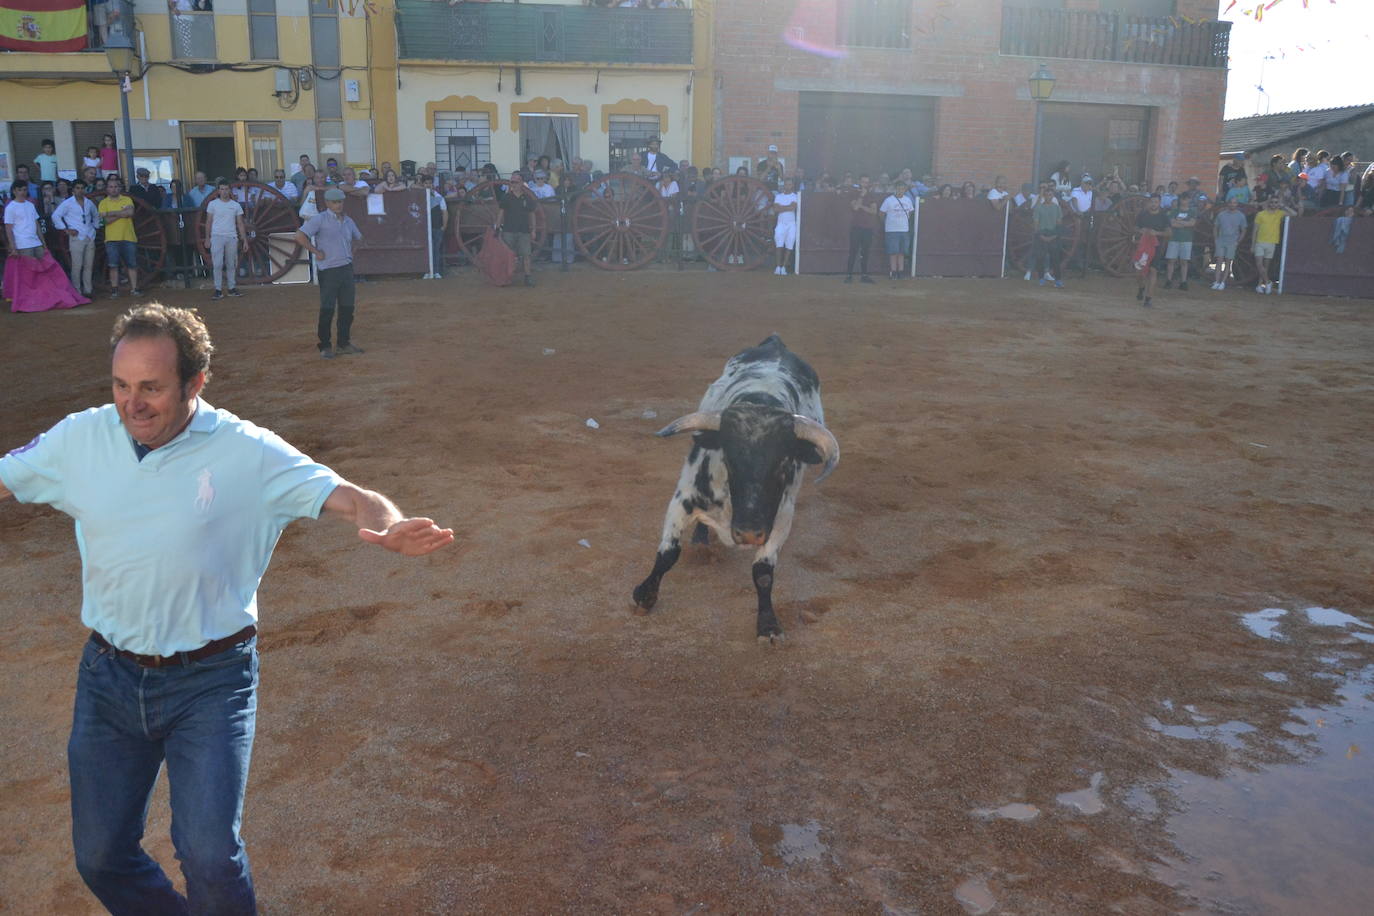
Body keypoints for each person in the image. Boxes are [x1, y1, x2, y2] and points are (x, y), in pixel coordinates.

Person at [0, 303, 452, 914]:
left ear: (195, 383)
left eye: (152, 388)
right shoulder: (81, 438)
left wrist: (389, 525)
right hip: (108, 678)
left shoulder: (247, 451)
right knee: (101, 855)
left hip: (211, 681)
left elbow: (352, 497)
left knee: (209, 854)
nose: (133, 404)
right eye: (121, 385)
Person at [294, 188, 364, 358]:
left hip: (346, 269)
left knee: (347, 308)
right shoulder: (319, 219)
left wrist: (352, 252)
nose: (338, 205)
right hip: (329, 270)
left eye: (340, 201)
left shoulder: (348, 221)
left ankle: (343, 343)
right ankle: (325, 345)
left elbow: (359, 238)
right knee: (328, 308)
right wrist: (316, 252)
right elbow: (299, 235)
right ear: (327, 203)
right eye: (335, 202)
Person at [5, 181, 90, 312]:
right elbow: (8, 229)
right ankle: (30, 300)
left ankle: (39, 299)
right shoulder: (11, 207)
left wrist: (43, 242)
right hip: (22, 245)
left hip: (36, 243)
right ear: (14, 191)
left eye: (24, 189)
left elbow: (37, 225)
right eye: (20, 190)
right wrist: (13, 247)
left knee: (43, 272)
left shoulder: (30, 205)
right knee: (29, 275)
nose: (23, 192)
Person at [98, 175, 143, 298]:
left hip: (128, 237)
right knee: (113, 266)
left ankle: (134, 289)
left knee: (132, 265)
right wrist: (121, 213)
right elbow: (105, 221)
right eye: (111, 187)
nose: (113, 189)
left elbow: (130, 213)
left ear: (120, 188)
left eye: (116, 186)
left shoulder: (127, 200)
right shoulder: (103, 203)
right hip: (111, 239)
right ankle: (114, 290)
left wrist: (110, 213)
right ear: (107, 189)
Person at [52, 182, 100, 298]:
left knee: (88, 265)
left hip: (89, 236)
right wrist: (66, 230)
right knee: (77, 266)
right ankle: (77, 291)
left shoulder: (89, 203)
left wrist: (95, 227)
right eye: (78, 188)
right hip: (76, 237)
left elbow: (96, 215)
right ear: (73, 190)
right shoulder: (67, 203)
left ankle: (88, 290)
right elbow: (55, 216)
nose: (80, 190)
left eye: (82, 188)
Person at [494, 171, 538, 287]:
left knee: (526, 255)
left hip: (524, 230)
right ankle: (507, 277)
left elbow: (532, 214)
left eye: (516, 182)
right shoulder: (506, 197)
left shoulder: (527, 198)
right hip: (509, 230)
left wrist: (533, 229)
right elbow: (501, 214)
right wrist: (497, 228)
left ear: (522, 183)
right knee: (508, 255)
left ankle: (528, 277)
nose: (513, 184)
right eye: (512, 182)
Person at [206, 180, 248, 300]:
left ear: (230, 190)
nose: (224, 192)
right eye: (222, 189)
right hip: (217, 236)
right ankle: (218, 289)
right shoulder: (213, 204)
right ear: (219, 191)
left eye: (226, 189)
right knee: (217, 264)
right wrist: (208, 238)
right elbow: (208, 222)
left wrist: (244, 239)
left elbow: (240, 223)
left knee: (231, 264)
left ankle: (231, 288)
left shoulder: (235, 205)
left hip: (231, 236)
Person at [1133, 194, 1171, 307]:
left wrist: (1157, 233)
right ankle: (1141, 287)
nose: (1154, 204)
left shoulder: (1164, 216)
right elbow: (1134, 227)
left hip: (1156, 247)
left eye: (1156, 202)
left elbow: (1169, 233)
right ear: (1149, 202)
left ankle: (1148, 298)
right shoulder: (1143, 214)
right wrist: (1141, 231)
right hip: (1143, 247)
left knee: (1153, 271)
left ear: (1159, 203)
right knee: (1139, 272)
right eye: (1152, 202)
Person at [1252, 195, 1295, 295]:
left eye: (1276, 202)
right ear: (1268, 203)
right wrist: (1253, 244)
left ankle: (1260, 285)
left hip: (1272, 242)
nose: (1274, 204)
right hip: (1260, 241)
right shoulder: (1260, 214)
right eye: (1272, 202)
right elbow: (1255, 230)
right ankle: (1268, 282)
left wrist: (1283, 206)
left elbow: (1294, 214)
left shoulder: (1280, 213)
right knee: (1259, 264)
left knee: (1265, 266)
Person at [844, 174, 878, 285]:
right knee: (853, 251)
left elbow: (874, 211)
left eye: (867, 182)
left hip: (868, 228)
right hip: (856, 227)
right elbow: (854, 207)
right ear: (859, 181)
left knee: (865, 252)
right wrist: (862, 197)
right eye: (863, 182)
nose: (865, 184)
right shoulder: (853, 193)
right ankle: (849, 275)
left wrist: (862, 206)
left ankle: (864, 275)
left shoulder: (871, 194)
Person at [1162, 190, 1198, 291]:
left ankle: (1183, 281)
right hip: (1174, 238)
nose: (1184, 201)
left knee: (1184, 261)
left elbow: (1192, 223)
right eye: (1182, 199)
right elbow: (1172, 223)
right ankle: (1169, 280)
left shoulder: (1192, 211)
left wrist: (1179, 222)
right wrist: (1184, 223)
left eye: (1186, 199)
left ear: (1189, 200)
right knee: (1171, 260)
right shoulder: (1175, 211)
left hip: (1186, 239)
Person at [1210, 197, 1248, 291]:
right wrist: (1216, 239)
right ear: (1228, 204)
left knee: (1228, 262)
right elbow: (1215, 227)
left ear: (1237, 204)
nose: (1232, 204)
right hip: (1221, 240)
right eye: (1231, 203)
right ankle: (1217, 281)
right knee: (1219, 261)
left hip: (1232, 241)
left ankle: (1222, 282)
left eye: (1234, 203)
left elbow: (1244, 230)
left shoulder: (1241, 216)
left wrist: (1237, 242)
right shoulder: (1221, 214)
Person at [878, 180, 914, 280]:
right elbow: (881, 214)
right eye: (898, 189)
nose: (900, 191)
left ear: (905, 190)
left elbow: (910, 213)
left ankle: (900, 272)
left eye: (902, 189)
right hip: (892, 230)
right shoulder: (889, 200)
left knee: (902, 252)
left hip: (904, 229)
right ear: (895, 189)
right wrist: (888, 223)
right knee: (893, 252)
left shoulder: (908, 200)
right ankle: (893, 271)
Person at [1030, 184, 1063, 287]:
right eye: (1047, 195)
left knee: (1055, 259)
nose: (1049, 197)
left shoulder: (1057, 208)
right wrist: (1041, 236)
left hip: (1052, 234)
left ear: (1053, 196)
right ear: (1044, 196)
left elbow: (1059, 224)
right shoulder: (1038, 208)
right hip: (1042, 234)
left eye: (1050, 195)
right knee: (1040, 258)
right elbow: (1035, 225)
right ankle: (1041, 279)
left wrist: (1053, 236)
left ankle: (1058, 280)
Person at [1067, 175, 1096, 276]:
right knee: (1077, 238)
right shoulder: (1076, 191)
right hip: (1076, 217)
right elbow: (1074, 201)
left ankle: (1085, 262)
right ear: (1082, 183)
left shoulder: (1091, 193)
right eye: (1087, 183)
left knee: (1088, 238)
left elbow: (1092, 204)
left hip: (1087, 217)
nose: (1088, 185)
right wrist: (1078, 211)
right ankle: (1075, 262)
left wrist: (1088, 211)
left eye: (1089, 184)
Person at [771, 176, 799, 276]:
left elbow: (793, 207)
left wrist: (782, 207)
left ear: (792, 186)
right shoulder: (778, 196)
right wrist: (787, 207)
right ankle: (778, 266)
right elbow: (776, 209)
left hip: (791, 224)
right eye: (786, 184)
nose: (788, 186)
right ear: (784, 185)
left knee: (789, 245)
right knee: (779, 245)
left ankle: (783, 267)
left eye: (790, 184)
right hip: (781, 223)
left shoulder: (795, 196)